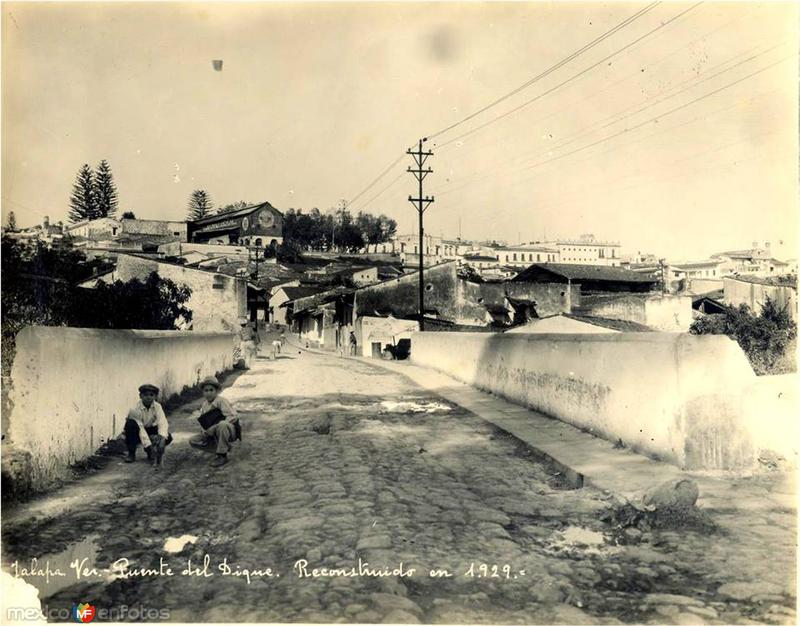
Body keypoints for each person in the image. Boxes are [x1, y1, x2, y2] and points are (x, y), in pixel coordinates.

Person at [189, 376, 240, 468]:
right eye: (206, 390)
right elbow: (204, 420)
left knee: (222, 424)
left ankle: (222, 455)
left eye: (211, 390)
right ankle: (221, 448)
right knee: (193, 440)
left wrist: (214, 427)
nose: (209, 393)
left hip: (228, 430)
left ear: (216, 391)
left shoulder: (221, 401)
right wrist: (204, 431)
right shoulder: (204, 405)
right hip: (214, 433)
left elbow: (233, 416)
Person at [124, 384, 172, 469]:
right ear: (140, 396)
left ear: (155, 397)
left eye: (151, 395)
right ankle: (131, 453)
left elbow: (162, 422)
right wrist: (148, 445)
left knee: (168, 437)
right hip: (137, 430)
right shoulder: (135, 408)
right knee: (130, 424)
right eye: (145, 395)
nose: (148, 397)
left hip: (150, 429)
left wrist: (162, 438)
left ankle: (152, 452)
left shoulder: (157, 406)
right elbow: (141, 428)